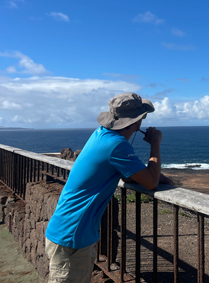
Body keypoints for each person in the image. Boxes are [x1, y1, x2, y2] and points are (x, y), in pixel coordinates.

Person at [45, 92, 173, 283]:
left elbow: (126, 173)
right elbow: (151, 183)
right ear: (137, 122)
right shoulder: (116, 145)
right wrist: (155, 144)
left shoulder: (101, 135)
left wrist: (153, 175)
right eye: (143, 117)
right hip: (73, 237)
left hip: (70, 232)